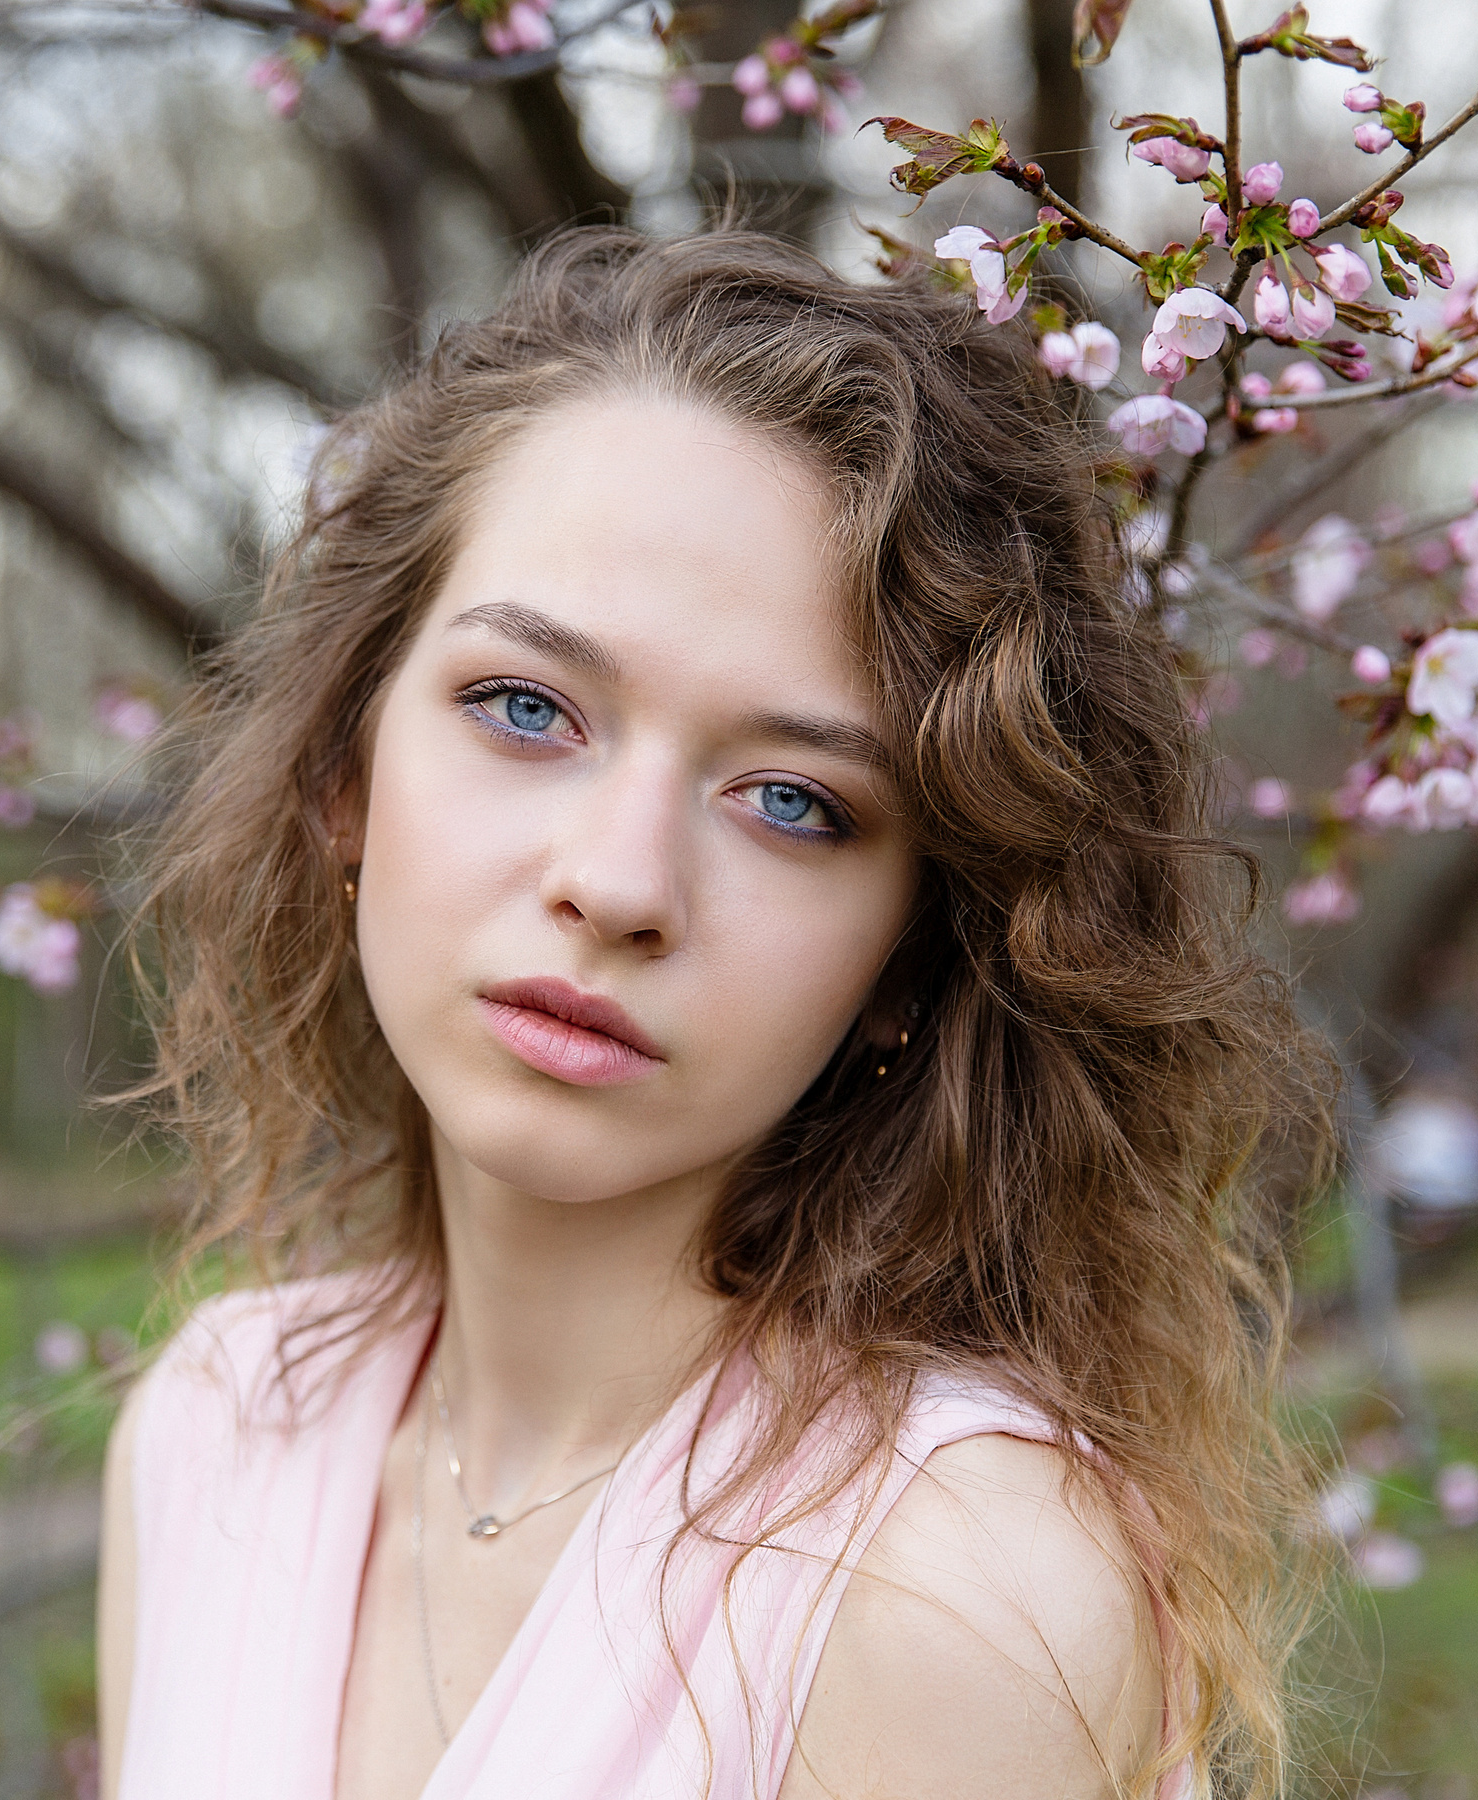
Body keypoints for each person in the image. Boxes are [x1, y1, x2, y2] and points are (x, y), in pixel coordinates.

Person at [97, 228, 1333, 1800]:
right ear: (344, 768)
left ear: (905, 954)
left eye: (794, 803)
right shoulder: (218, 1429)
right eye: (527, 708)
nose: (620, 885)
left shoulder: (949, 1591)